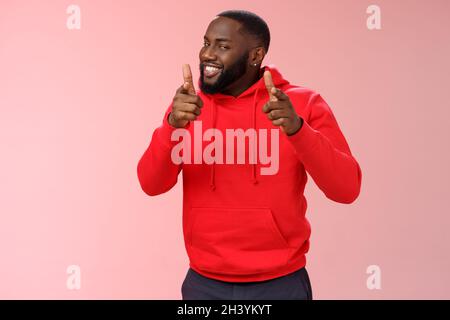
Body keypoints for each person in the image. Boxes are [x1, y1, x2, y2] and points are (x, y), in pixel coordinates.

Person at [137, 10, 362, 300]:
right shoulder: (188, 106)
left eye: (223, 46)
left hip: (280, 283)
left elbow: (346, 189)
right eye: (206, 43)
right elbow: (151, 184)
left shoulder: (301, 104)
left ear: (256, 55)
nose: (207, 54)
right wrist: (171, 128)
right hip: (203, 283)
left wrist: (297, 129)